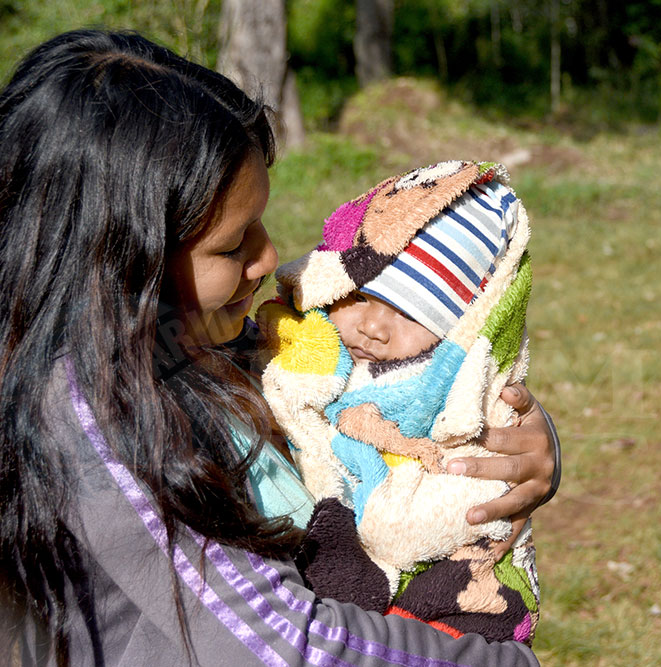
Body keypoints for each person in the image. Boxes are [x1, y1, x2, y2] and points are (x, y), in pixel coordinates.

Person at [0, 29, 557, 666]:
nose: (268, 258)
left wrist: (522, 449)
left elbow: (387, 387)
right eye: (232, 246)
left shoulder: (182, 340)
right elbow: (279, 641)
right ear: (123, 263)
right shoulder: (92, 430)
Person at [257, 160, 538, 644]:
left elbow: (483, 474)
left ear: (458, 330)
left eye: (408, 314)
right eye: (360, 297)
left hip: (433, 582)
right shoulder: (298, 341)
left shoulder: (454, 392)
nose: (373, 327)